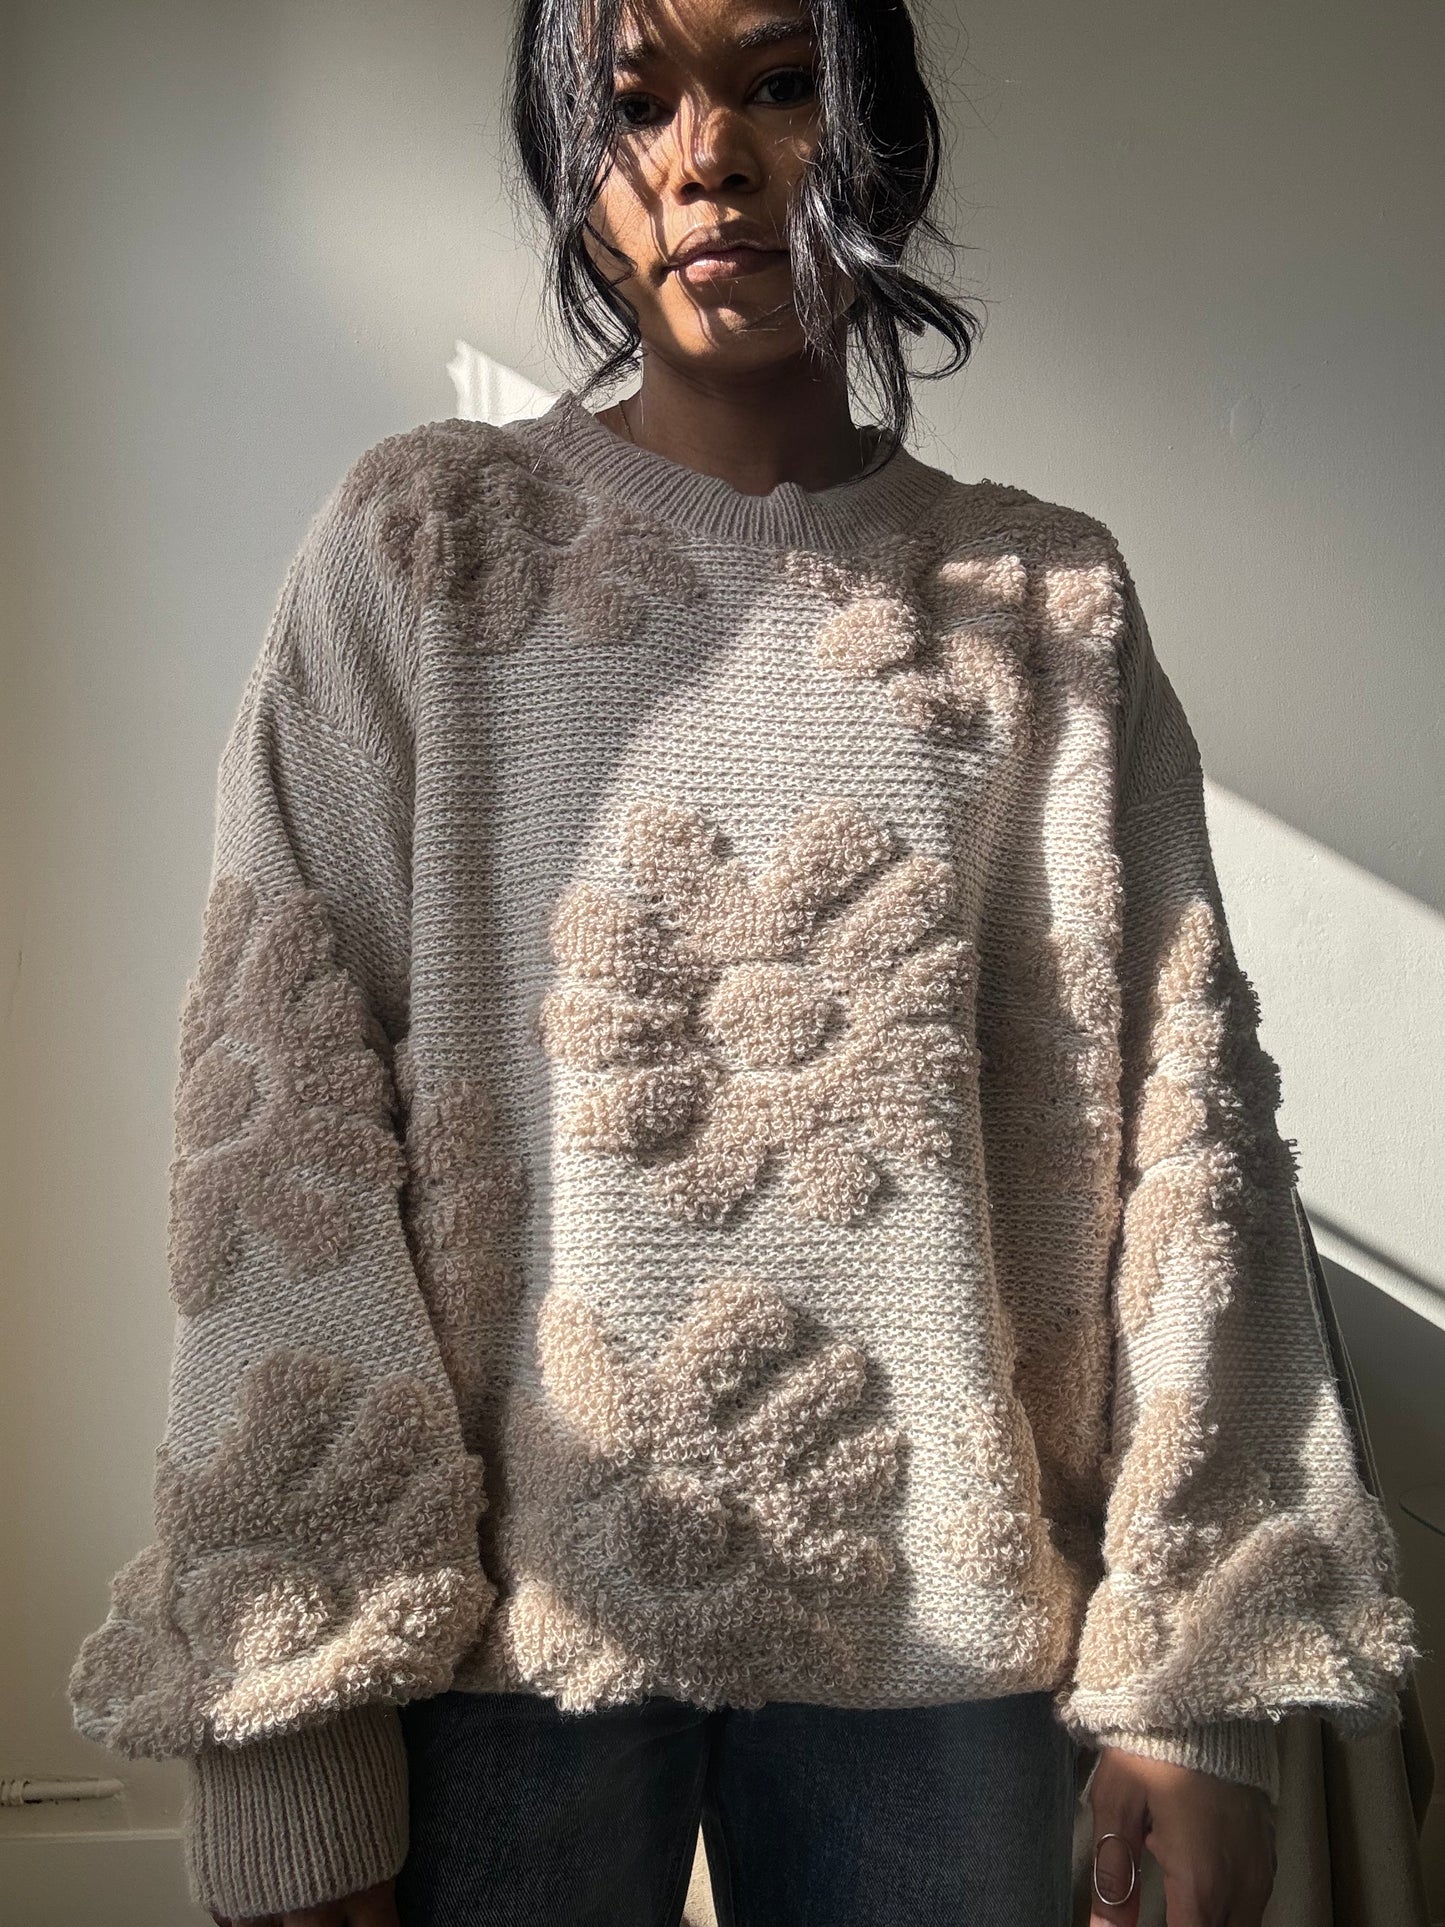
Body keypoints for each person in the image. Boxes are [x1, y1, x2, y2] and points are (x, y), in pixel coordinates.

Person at [67, 0, 1422, 1922]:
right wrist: (291, 1719)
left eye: (782, 85)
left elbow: (1188, 1137)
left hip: (950, 1638)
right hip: (496, 1634)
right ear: (573, 163)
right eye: (634, 106)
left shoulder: (1039, 605)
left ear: (882, 131)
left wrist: (1199, 1695)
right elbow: (272, 1132)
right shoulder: (424, 550)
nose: (708, 160)